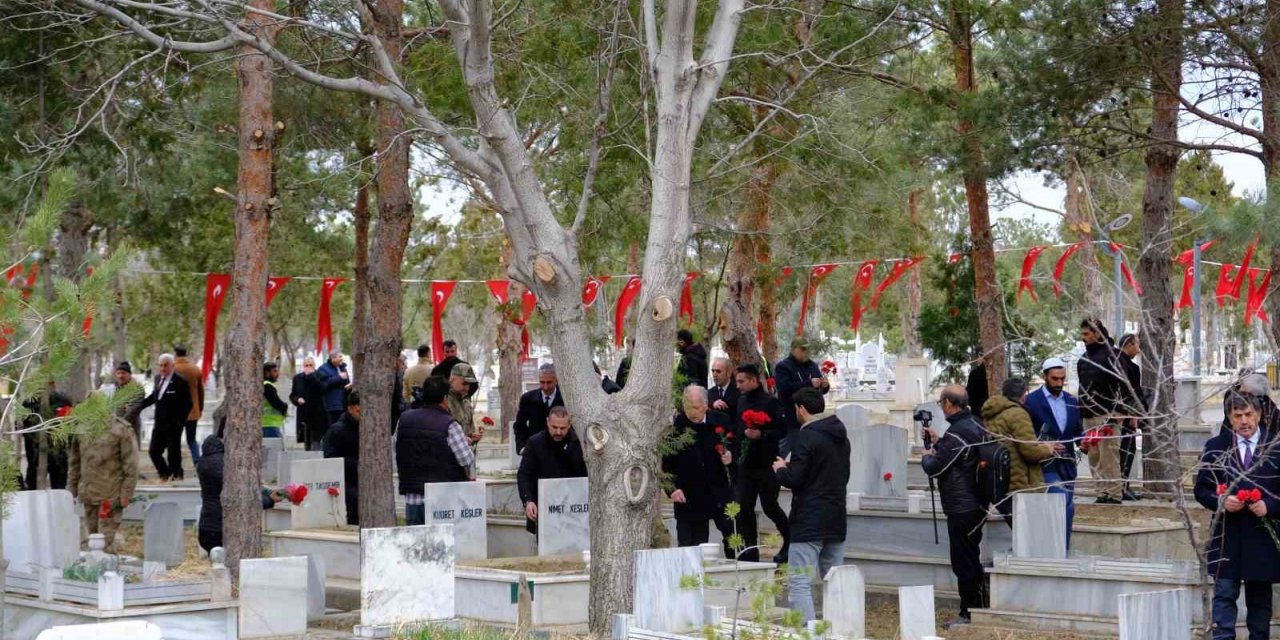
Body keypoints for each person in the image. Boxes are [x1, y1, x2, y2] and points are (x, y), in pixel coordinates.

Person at [1195, 391, 1280, 640]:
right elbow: (1202, 489)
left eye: (1248, 414)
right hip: (1226, 538)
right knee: (1223, 596)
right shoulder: (1216, 447)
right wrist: (1220, 501)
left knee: (1259, 603)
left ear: (1259, 415)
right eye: (1237, 415)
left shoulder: (1275, 447)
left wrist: (1270, 505)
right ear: (1230, 418)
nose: (1244, 421)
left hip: (1262, 538)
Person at [773, 387, 850, 623]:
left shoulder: (807, 436)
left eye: (795, 409)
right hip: (836, 515)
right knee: (834, 581)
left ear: (801, 409)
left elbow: (795, 479)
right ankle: (839, 630)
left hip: (809, 519)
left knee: (799, 582)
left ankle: (805, 631)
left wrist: (780, 470)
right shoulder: (840, 436)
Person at [921, 385, 987, 628]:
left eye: (941, 403)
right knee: (972, 556)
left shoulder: (957, 433)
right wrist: (939, 442)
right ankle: (977, 606)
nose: (941, 407)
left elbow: (935, 467)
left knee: (963, 561)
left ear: (949, 403)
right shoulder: (976, 424)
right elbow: (960, 459)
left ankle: (968, 612)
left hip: (961, 506)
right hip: (977, 502)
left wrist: (927, 453)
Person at [663, 386, 736, 556]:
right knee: (691, 545)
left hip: (718, 489)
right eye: (687, 407)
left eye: (696, 407)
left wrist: (731, 456)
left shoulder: (721, 421)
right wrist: (672, 489)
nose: (691, 412)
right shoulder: (676, 428)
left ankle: (737, 568)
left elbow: (736, 447)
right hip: (689, 493)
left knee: (732, 534)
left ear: (706, 405)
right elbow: (666, 465)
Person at [397, 377, 477, 525]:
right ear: (445, 398)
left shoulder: (404, 419)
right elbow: (465, 459)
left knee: (417, 546)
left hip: (412, 498)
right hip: (442, 501)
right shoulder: (449, 424)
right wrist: (466, 443)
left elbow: (400, 448)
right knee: (442, 547)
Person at [733, 363, 791, 563]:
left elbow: (782, 430)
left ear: (752, 380)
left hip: (766, 464)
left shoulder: (770, 402)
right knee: (745, 508)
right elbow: (738, 428)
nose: (738, 385)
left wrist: (762, 434)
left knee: (770, 506)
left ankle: (790, 541)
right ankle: (750, 550)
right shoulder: (741, 401)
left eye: (741, 381)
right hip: (746, 465)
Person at [1024, 357, 1083, 548]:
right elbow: (1025, 436)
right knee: (1063, 503)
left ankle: (1058, 550)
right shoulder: (1031, 402)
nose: (1059, 383)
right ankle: (1058, 549)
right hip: (1044, 465)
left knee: (1063, 508)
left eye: (1062, 379)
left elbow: (1076, 431)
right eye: (1054, 379)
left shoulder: (1072, 401)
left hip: (1067, 465)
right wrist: (1044, 447)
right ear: (1045, 377)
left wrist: (1086, 443)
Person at [982, 378, 1055, 525]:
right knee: (1029, 533)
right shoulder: (1017, 414)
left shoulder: (992, 414)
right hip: (1023, 485)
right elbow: (1031, 452)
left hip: (1003, 482)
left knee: (1019, 533)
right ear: (1024, 395)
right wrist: (1049, 448)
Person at [67, 401, 138, 553]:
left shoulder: (120, 429)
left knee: (104, 542)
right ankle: (95, 572)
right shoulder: (81, 429)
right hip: (88, 494)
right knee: (92, 540)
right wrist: (70, 490)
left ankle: (107, 573)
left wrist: (126, 493)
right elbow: (75, 462)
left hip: (110, 496)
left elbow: (130, 464)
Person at [195, 433, 281, 552]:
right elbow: (240, 498)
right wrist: (269, 500)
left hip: (209, 526)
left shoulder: (206, 458)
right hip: (223, 529)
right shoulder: (223, 463)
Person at [1077, 318, 1126, 504]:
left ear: (1097, 333)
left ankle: (1113, 494)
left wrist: (1119, 412)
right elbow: (1083, 387)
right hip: (1089, 416)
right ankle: (1101, 493)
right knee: (1094, 457)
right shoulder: (1083, 359)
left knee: (1109, 457)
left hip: (1108, 416)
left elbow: (1124, 385)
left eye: (1086, 334)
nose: (1083, 338)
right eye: (1082, 334)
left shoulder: (1113, 356)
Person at [517, 407, 587, 535]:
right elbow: (524, 475)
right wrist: (528, 501)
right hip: (543, 508)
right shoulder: (534, 443)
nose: (558, 432)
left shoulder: (579, 443)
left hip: (574, 511)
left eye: (563, 428)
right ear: (548, 422)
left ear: (569, 425)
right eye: (554, 427)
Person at [134, 353, 194, 482]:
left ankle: (176, 476)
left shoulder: (180, 382)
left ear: (172, 366)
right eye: (160, 365)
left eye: (165, 365)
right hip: (159, 423)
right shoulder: (157, 379)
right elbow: (154, 397)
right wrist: (137, 406)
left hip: (174, 424)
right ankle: (164, 474)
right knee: (154, 451)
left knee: (173, 453)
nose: (163, 368)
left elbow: (188, 404)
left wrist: (180, 422)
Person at [774, 337, 831, 437]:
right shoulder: (783, 366)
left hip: (813, 415)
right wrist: (809, 383)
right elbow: (784, 388)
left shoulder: (812, 365)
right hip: (792, 415)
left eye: (808, 349)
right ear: (793, 349)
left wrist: (824, 386)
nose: (806, 352)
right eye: (803, 349)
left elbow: (819, 389)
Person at [21, 381, 72, 490]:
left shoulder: (63, 402)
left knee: (58, 487)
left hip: (58, 454)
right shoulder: (29, 403)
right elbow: (25, 431)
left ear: (53, 385)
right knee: (32, 486)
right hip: (35, 454)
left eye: (49, 384)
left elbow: (69, 426)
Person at [322, 391, 362, 525]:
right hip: (347, 482)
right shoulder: (337, 430)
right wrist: (357, 465)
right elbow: (331, 457)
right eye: (358, 411)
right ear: (350, 409)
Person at [1117, 334, 1146, 500]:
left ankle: (1123, 485)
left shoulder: (1120, 363)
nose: (1139, 349)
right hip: (1126, 414)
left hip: (1121, 413)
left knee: (1127, 450)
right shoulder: (1128, 367)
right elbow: (1131, 393)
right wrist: (1134, 414)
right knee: (1126, 450)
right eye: (1137, 345)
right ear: (1129, 345)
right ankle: (1123, 486)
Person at [513, 363, 564, 454]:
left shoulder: (566, 399)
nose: (545, 387)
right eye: (542, 382)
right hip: (535, 451)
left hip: (561, 451)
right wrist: (521, 447)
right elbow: (519, 426)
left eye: (549, 382)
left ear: (556, 381)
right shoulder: (527, 399)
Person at [448, 363, 484, 474]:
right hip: (449, 461)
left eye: (469, 384)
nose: (467, 388)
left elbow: (468, 429)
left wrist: (473, 436)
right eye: (464, 383)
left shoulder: (466, 401)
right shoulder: (444, 400)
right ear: (452, 379)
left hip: (466, 460)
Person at [172, 345, 205, 465]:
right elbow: (201, 391)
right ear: (186, 354)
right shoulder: (195, 369)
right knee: (191, 439)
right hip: (192, 411)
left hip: (176, 412)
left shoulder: (172, 369)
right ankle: (197, 462)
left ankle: (175, 465)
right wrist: (200, 409)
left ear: (175, 354)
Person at [290, 356, 330, 450]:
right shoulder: (297, 378)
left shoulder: (321, 375)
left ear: (314, 366)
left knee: (317, 441)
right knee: (306, 442)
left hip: (318, 413)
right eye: (306, 365)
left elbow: (322, 389)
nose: (308, 367)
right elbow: (293, 395)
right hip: (304, 414)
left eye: (310, 365)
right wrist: (297, 399)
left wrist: (312, 376)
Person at [110, 361, 145, 446]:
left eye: (123, 373)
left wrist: (120, 424)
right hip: (117, 429)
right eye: (118, 373)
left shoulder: (137, 388)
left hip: (130, 428)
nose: (120, 376)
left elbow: (134, 410)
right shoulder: (118, 388)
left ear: (129, 374)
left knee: (131, 456)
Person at [316, 351, 351, 425]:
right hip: (332, 407)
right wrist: (339, 377)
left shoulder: (342, 367)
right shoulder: (323, 369)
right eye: (340, 357)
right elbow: (323, 385)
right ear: (333, 358)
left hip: (344, 404)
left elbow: (345, 383)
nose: (342, 359)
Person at [262, 362, 288, 438]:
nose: (277, 374)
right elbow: (276, 403)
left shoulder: (266, 384)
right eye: (275, 371)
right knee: (275, 448)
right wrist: (285, 406)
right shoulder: (267, 385)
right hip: (270, 424)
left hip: (268, 424)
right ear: (267, 372)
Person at [392, 353, 407, 432]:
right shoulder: (394, 375)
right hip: (395, 409)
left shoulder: (399, 374)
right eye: (402, 363)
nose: (403, 366)